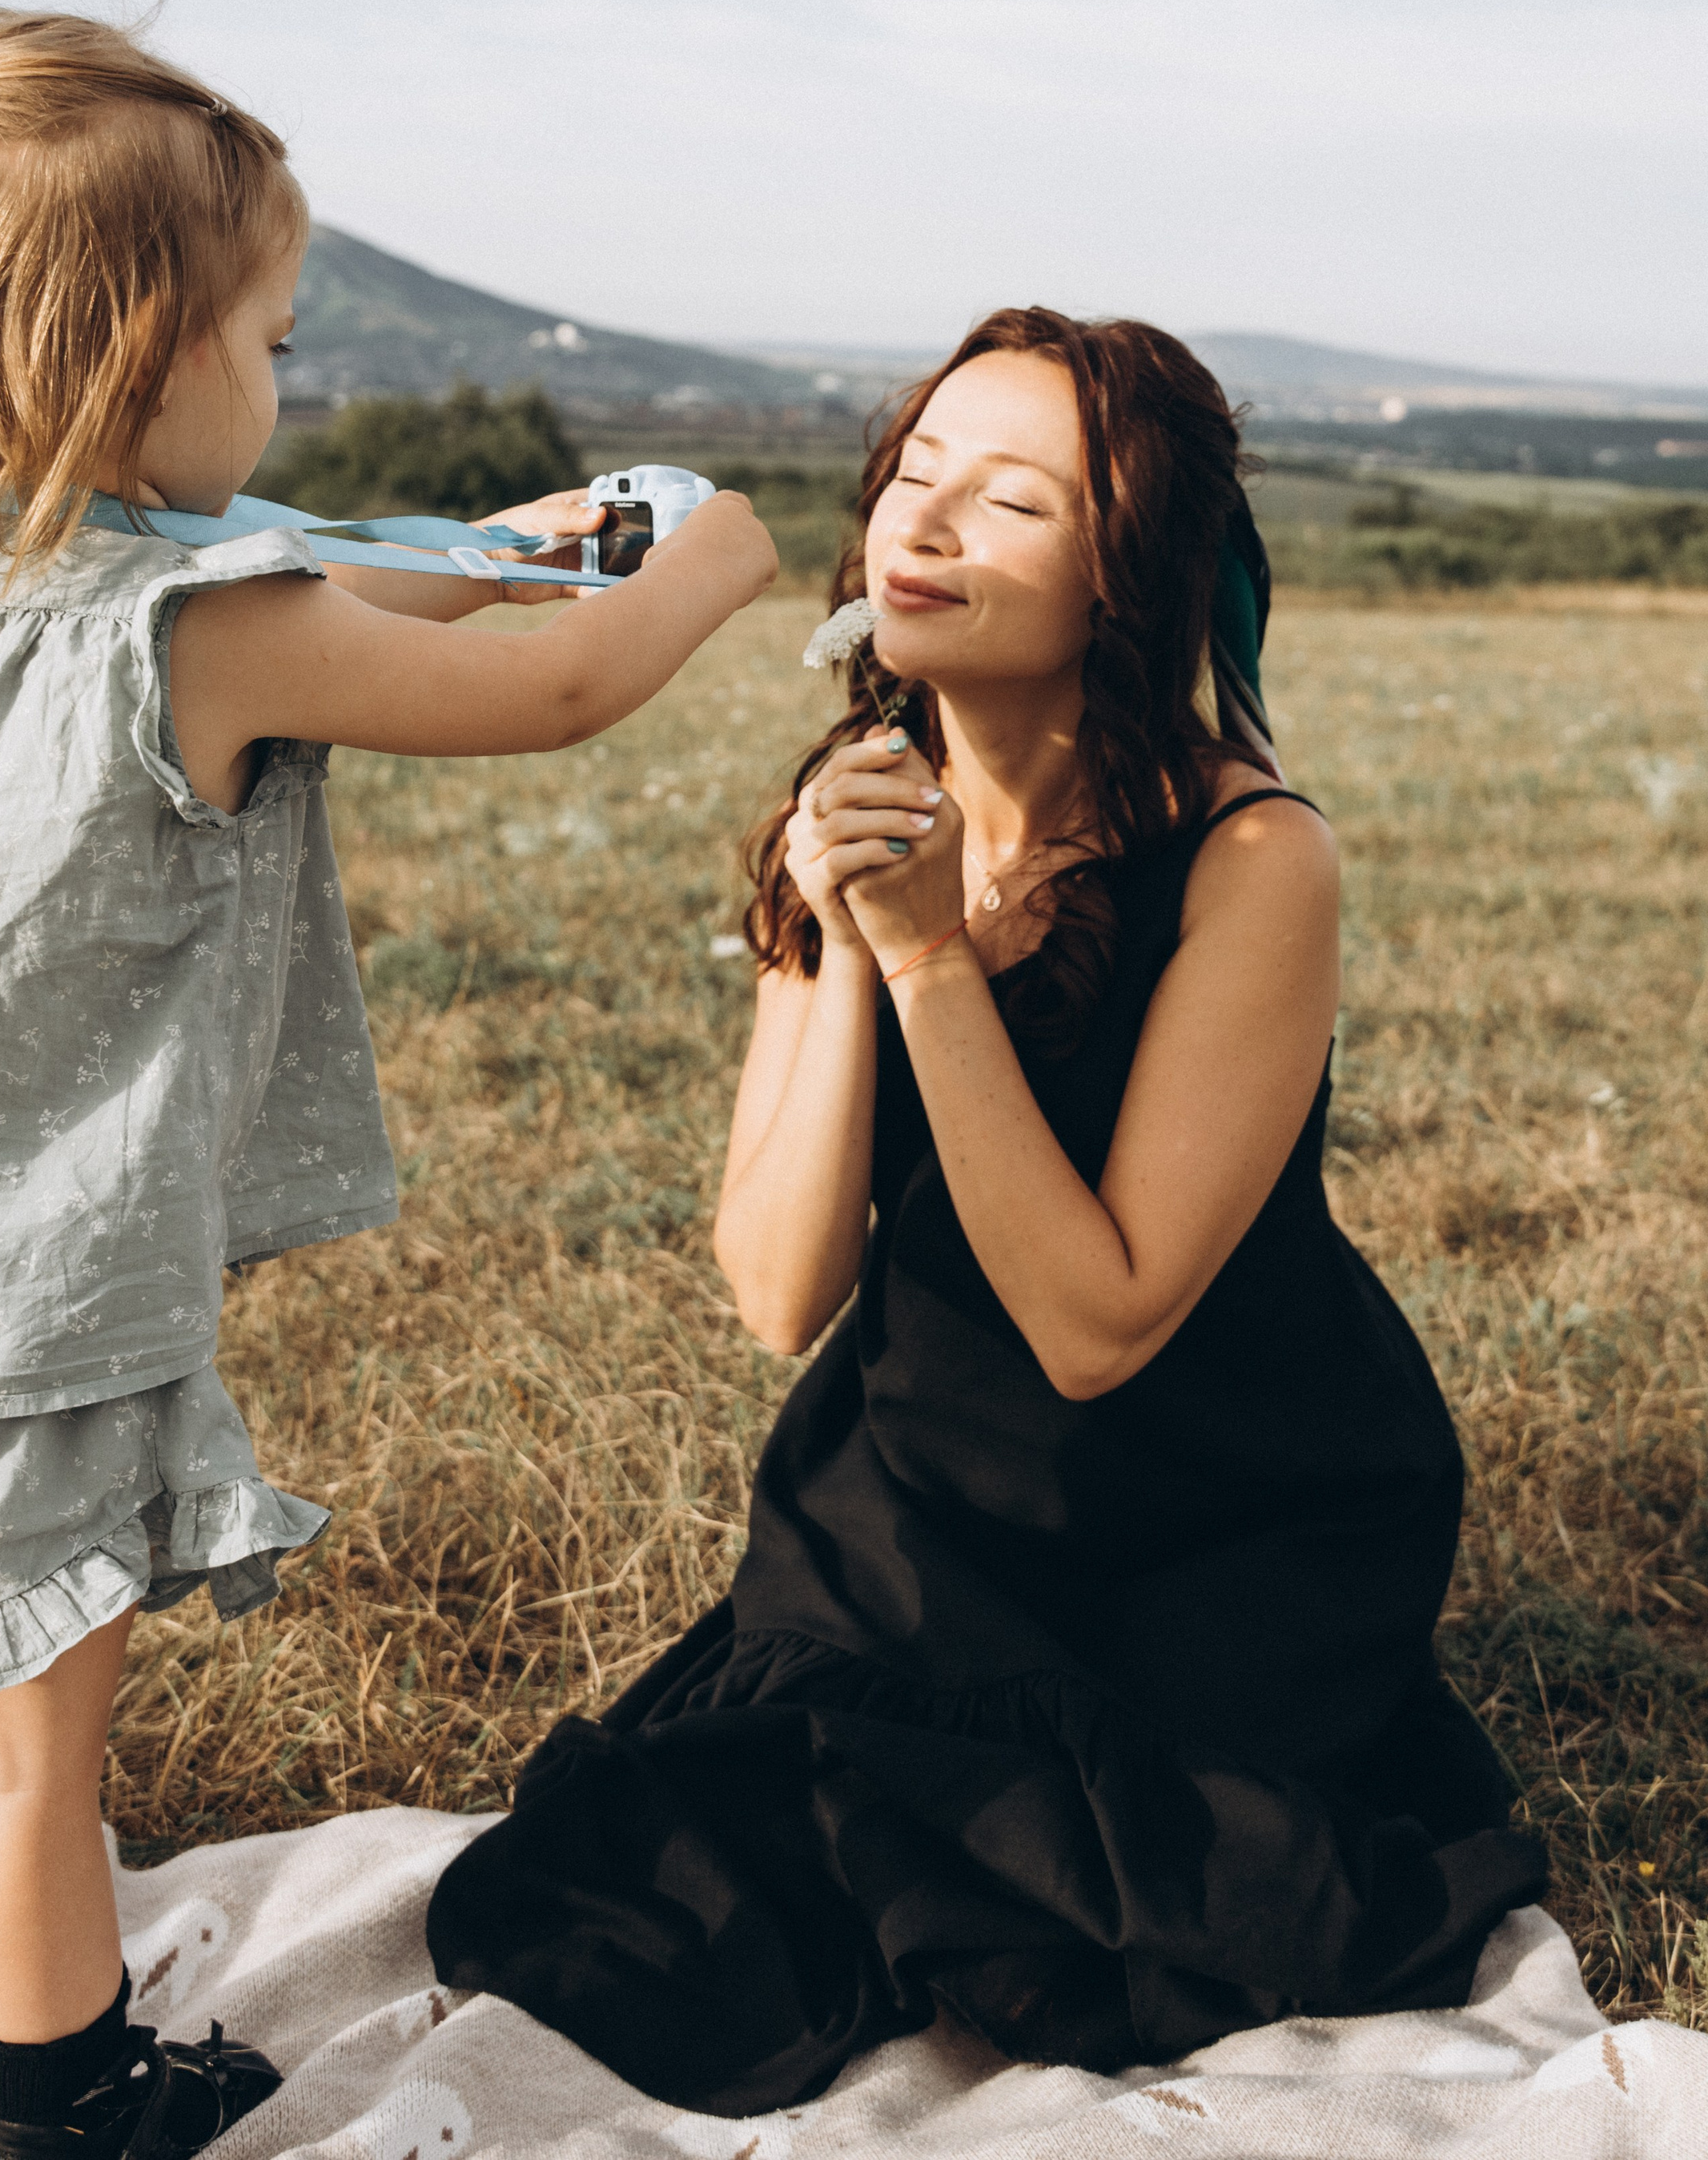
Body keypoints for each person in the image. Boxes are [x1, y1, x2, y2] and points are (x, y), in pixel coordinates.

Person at [0, 11, 776, 2160]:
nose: (282, 380)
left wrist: (521, 530)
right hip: (5, 1309)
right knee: (20, 1764)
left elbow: (320, 547)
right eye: (268, 337)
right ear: (141, 357)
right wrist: (705, 559)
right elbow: (532, 688)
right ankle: (75, 2104)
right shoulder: (194, 624)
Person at [428, 309, 1546, 2115]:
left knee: (1109, 1911)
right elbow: (780, 1283)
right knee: (673, 1888)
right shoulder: (849, 801)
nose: (921, 528)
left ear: (1122, 575)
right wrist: (846, 937)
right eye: (913, 476)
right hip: (918, 1487)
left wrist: (934, 951)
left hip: (1211, 1497)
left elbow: (1100, 1326)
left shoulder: (1252, 856)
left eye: (1008, 500)